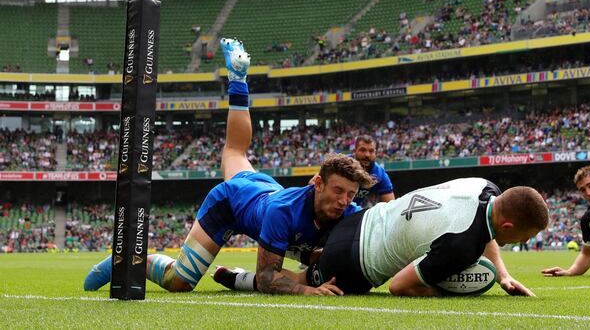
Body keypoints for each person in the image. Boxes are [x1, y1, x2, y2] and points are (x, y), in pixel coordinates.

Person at [83, 38, 374, 295]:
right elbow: (267, 277)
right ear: (317, 182)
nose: (344, 201)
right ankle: (129, 258)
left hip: (260, 188)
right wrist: (306, 290)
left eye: (350, 194)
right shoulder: (283, 212)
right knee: (180, 282)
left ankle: (238, 79)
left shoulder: (348, 211)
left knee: (235, 149)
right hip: (231, 202)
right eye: (338, 191)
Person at [217, 177, 548, 296]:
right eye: (526, 236)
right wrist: (444, 290)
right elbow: (399, 286)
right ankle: (242, 280)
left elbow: (482, 226)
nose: (523, 242)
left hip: (362, 220)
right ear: (509, 226)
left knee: (304, 271)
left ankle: (237, 278)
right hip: (354, 263)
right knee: (296, 280)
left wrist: (502, 275)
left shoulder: (485, 187)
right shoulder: (460, 246)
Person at [351, 135, 395, 206]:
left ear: (375, 153)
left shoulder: (379, 173)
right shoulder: (341, 165)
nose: (367, 155)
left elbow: (391, 205)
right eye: (363, 150)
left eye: (371, 151)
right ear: (354, 151)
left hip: (353, 212)